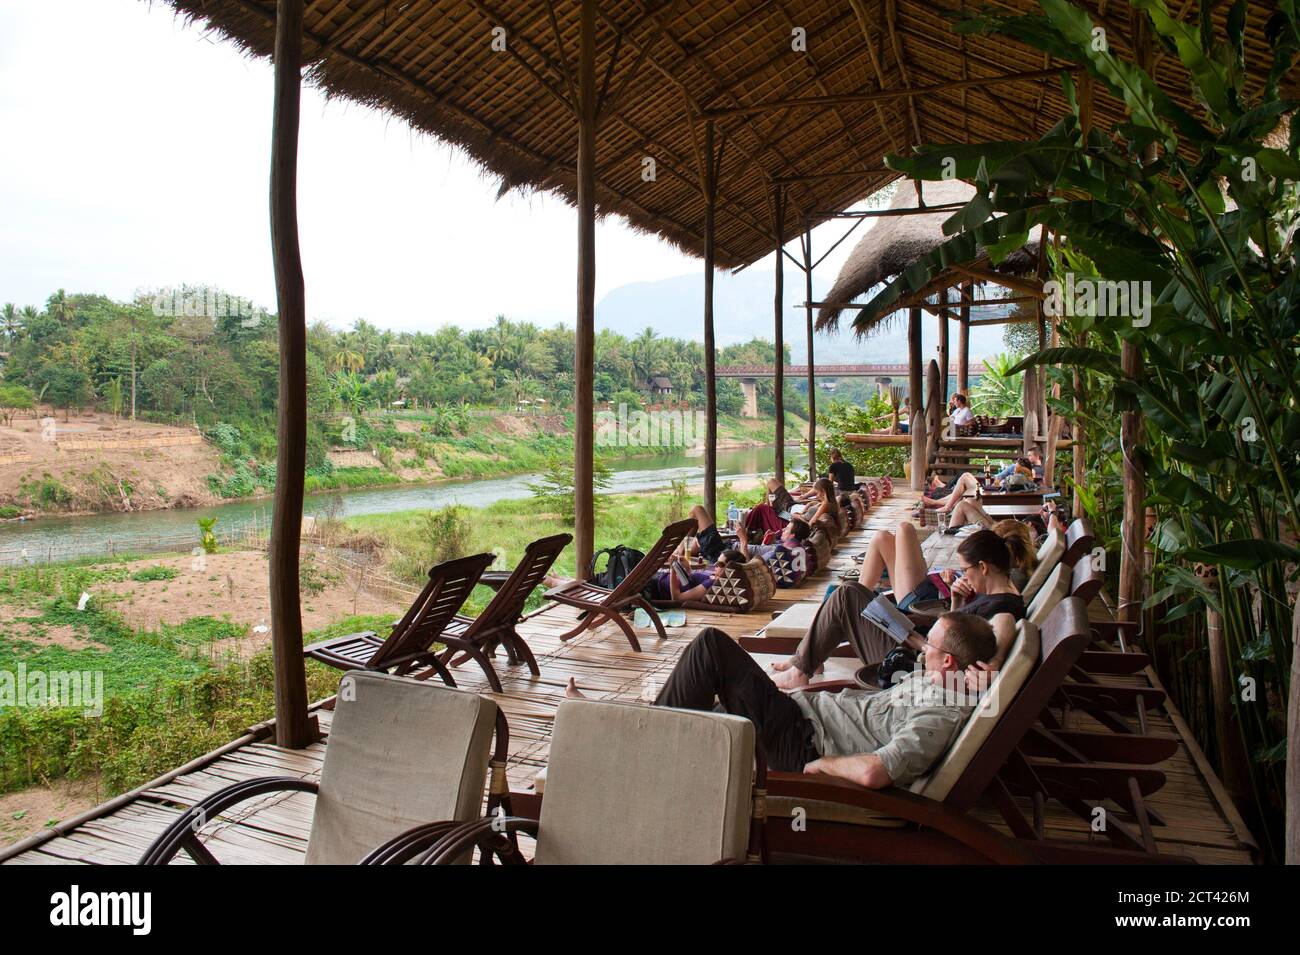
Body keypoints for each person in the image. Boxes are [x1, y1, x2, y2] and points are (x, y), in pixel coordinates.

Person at [568, 613, 998, 780]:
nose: (921, 649)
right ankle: (625, 728)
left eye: (930, 648)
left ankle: (626, 743)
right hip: (797, 715)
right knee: (697, 708)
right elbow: (1003, 625)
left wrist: (818, 765)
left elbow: (875, 773)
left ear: (947, 663)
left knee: (712, 647)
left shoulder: (940, 714)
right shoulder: (951, 681)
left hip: (799, 743)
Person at [772, 526, 1027, 689]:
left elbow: (1004, 624)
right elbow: (959, 635)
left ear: (983, 567)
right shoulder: (998, 594)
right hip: (917, 646)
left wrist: (996, 661)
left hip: (910, 666)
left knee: (846, 595)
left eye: (966, 570)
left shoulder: (1005, 605)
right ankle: (809, 658)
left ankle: (801, 668)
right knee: (859, 592)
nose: (964, 576)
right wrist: (957, 602)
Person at [737, 516, 811, 562]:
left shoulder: (779, 549)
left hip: (737, 549)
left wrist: (743, 540)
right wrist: (766, 542)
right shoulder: (795, 547)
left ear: (792, 535)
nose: (783, 530)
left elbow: (748, 566)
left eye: (787, 529)